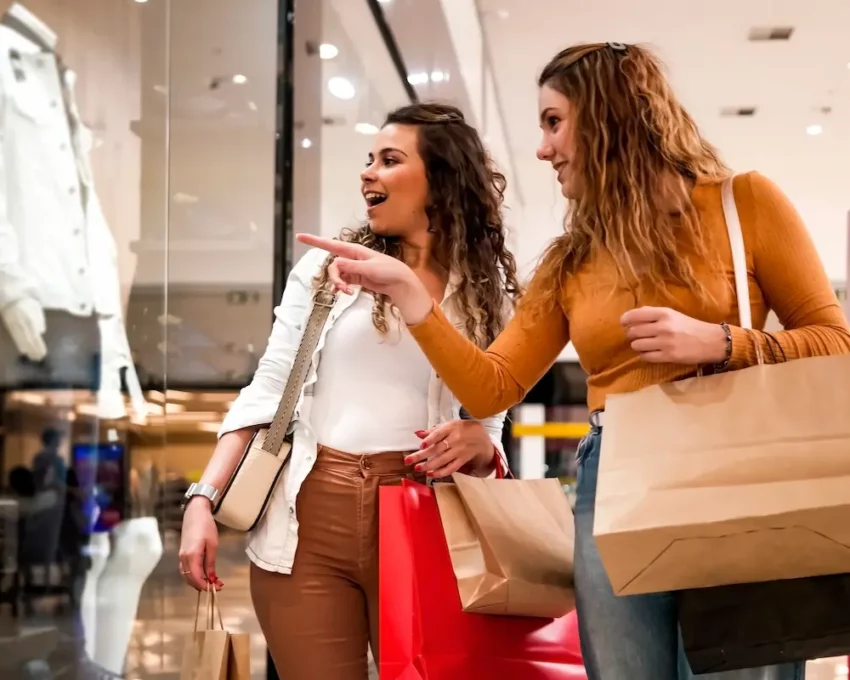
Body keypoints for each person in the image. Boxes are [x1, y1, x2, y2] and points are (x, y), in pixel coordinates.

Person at [298, 43, 850, 680]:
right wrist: (410, 295)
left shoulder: (742, 204)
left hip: (736, 471)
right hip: (616, 477)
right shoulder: (571, 260)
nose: (541, 147)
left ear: (608, 116)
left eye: (554, 122)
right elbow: (491, 388)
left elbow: (834, 341)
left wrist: (724, 343)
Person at [179, 102, 519, 679]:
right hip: (307, 517)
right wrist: (201, 501)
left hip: (424, 517)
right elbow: (266, 394)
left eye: (390, 160)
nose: (368, 173)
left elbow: (489, 421)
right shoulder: (325, 272)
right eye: (369, 160)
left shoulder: (486, 294)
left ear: (440, 181)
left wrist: (480, 443)